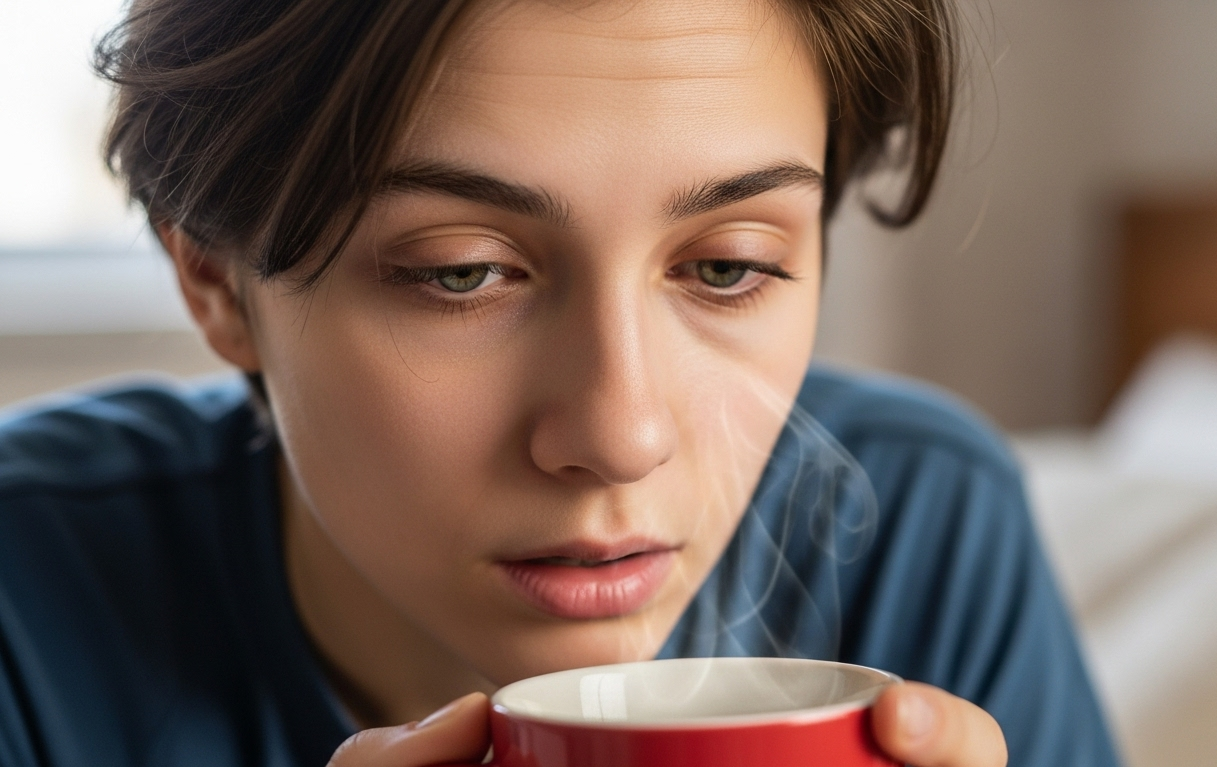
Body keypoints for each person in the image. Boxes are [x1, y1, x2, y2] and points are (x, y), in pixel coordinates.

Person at [0, 0, 1121, 765]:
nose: (621, 434)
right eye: (461, 273)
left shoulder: (924, 531)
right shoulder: (27, 606)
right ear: (215, 280)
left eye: (725, 266)